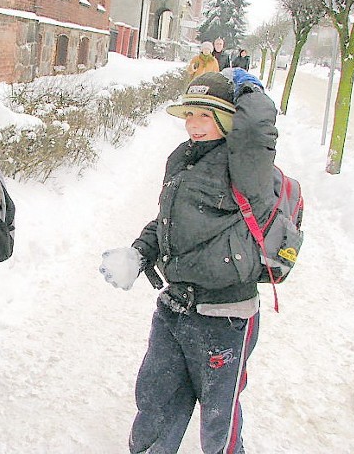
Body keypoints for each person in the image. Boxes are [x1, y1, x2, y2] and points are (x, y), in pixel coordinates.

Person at [99, 68, 276, 453]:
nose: (194, 125)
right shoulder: (183, 158)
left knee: (219, 417)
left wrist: (251, 93)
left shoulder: (245, 166)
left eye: (206, 116)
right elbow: (168, 219)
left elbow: (258, 133)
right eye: (189, 115)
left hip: (225, 315)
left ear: (229, 119)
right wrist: (139, 251)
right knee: (156, 398)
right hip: (175, 304)